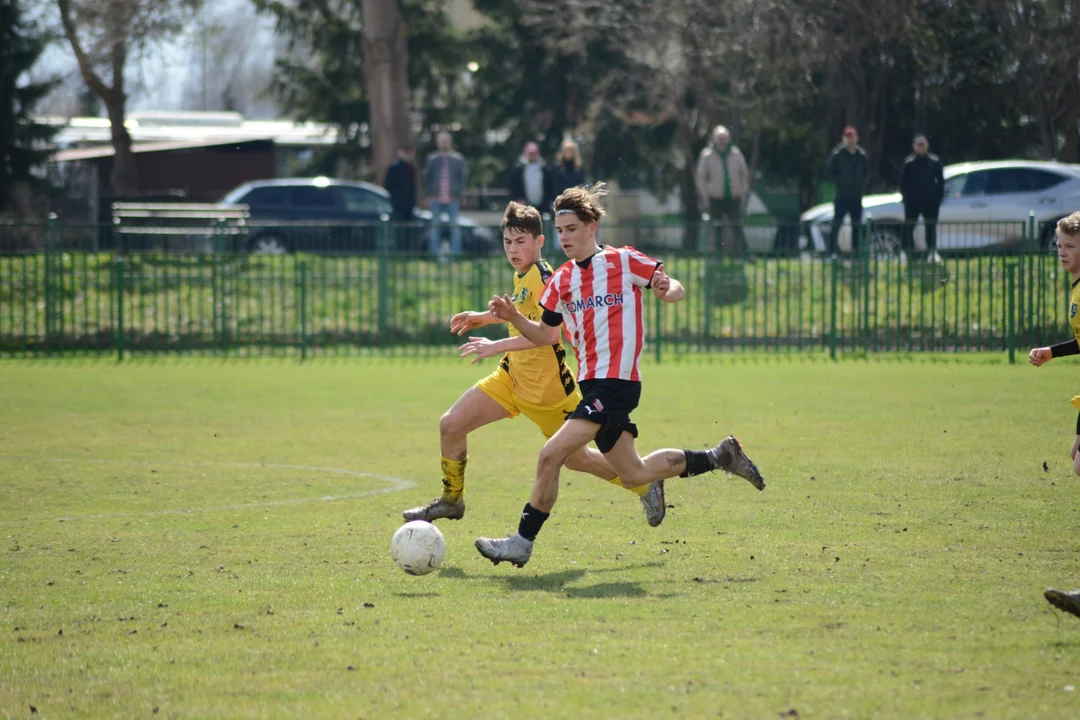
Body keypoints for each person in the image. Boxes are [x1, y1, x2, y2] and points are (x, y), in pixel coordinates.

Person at [474, 183, 765, 568]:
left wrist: (667, 288)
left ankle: (521, 543)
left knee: (550, 456)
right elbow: (545, 335)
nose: (565, 238)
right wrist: (512, 319)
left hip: (618, 384)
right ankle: (720, 456)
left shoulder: (623, 261)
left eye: (572, 229)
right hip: (591, 385)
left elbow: (673, 286)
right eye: (560, 231)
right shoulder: (561, 280)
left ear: (592, 226)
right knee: (634, 473)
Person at [401, 201, 667, 528]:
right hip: (511, 378)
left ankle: (645, 483)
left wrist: (494, 343)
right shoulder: (523, 275)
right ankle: (452, 499)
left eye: (521, 242)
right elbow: (521, 309)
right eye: (508, 242)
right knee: (451, 424)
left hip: (549, 392)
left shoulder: (544, 276)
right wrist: (483, 318)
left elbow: (548, 336)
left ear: (539, 242)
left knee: (576, 460)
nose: (513, 249)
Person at [1027, 212, 1080, 476]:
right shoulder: (1077, 287)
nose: (1062, 251)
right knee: (1076, 455)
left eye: (1070, 246)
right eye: (1060, 245)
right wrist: (1052, 352)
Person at [695, 125, 750, 258]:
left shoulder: (736, 153)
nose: (722, 141)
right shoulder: (707, 155)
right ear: (714, 138)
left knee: (737, 227)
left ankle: (745, 254)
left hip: (733, 197)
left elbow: (744, 174)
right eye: (719, 138)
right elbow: (700, 177)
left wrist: (742, 191)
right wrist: (706, 193)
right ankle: (718, 257)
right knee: (717, 229)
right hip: (716, 197)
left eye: (724, 138)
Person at [825, 127, 870, 257]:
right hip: (841, 196)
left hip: (856, 197)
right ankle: (831, 252)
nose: (850, 140)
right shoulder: (837, 155)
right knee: (836, 224)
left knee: (856, 226)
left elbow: (867, 172)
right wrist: (841, 181)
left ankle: (856, 253)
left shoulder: (862, 155)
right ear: (843, 139)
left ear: (856, 138)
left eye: (852, 137)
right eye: (847, 137)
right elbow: (828, 173)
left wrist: (860, 184)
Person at [899, 134, 945, 261]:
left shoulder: (934, 162)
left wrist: (938, 198)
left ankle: (932, 252)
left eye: (923, 145)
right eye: (918, 145)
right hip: (913, 202)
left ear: (927, 146)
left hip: (930, 202)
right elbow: (903, 183)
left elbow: (940, 181)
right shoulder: (908, 163)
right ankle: (907, 252)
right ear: (914, 147)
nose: (921, 147)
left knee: (930, 227)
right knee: (909, 227)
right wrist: (906, 199)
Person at [424, 132, 468, 259]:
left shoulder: (458, 159)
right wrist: (428, 195)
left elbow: (463, 178)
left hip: (453, 198)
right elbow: (428, 178)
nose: (443, 144)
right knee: (434, 227)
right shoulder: (432, 159)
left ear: (450, 143)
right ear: (438, 143)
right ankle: (434, 254)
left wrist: (462, 195)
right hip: (436, 198)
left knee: (454, 228)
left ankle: (455, 255)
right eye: (441, 141)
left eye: (446, 141)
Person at [384, 145, 417, 251]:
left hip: (409, 205)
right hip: (398, 205)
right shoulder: (394, 168)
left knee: (408, 231)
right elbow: (388, 185)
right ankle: (399, 251)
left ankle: (407, 251)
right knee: (399, 230)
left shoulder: (411, 168)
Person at [508, 141, 555, 213]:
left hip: (542, 208)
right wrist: (518, 199)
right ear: (525, 153)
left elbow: (550, 186)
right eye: (530, 153)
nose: (532, 155)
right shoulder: (518, 169)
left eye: (534, 153)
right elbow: (512, 187)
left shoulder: (544, 169)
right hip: (523, 208)